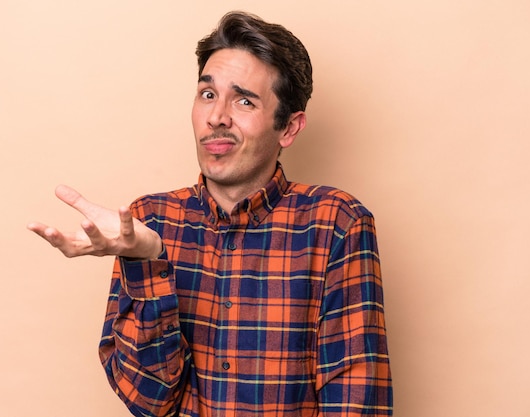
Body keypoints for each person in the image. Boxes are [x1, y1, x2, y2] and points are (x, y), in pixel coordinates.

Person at [28, 11, 392, 417]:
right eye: (207, 94)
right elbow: (149, 401)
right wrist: (146, 259)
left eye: (244, 100)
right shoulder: (147, 221)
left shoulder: (337, 224)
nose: (217, 117)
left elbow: (356, 401)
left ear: (289, 128)